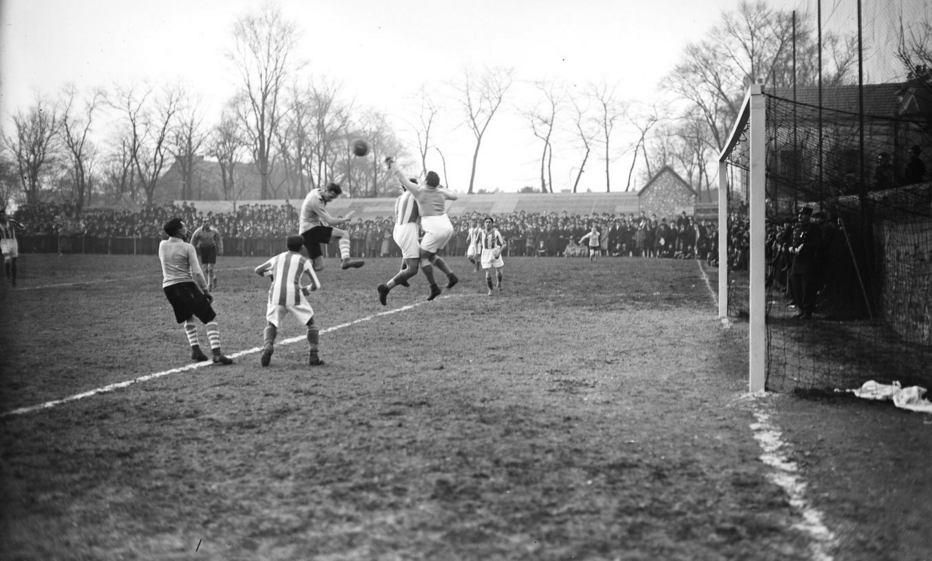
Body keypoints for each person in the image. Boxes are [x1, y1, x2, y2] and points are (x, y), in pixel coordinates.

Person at [158, 217, 233, 364]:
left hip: (168, 288)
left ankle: (196, 351)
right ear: (179, 230)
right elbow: (197, 272)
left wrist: (182, 238)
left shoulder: (162, 245)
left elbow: (172, 245)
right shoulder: (188, 248)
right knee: (209, 317)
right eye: (184, 227)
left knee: (189, 316)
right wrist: (206, 291)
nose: (187, 229)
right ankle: (216, 353)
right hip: (184, 285)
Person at [384, 158, 459, 301]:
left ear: (425, 181)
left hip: (434, 228)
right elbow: (455, 195)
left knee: (422, 257)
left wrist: (392, 164)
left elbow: (401, 177)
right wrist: (441, 187)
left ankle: (434, 288)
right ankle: (451, 276)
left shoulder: (418, 192)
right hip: (447, 227)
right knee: (430, 255)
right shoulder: (441, 192)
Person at [254, 235, 324, 366]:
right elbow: (316, 285)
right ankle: (313, 355)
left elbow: (258, 270)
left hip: (276, 294)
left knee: (271, 324)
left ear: (286, 246)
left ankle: (268, 345)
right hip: (294, 294)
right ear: (302, 247)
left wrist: (270, 274)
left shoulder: (278, 257)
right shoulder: (304, 260)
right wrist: (305, 290)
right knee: (311, 323)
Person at [376, 177, 425, 306]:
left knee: (410, 254)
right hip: (407, 230)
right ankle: (385, 287)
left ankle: (402, 274)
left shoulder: (399, 199)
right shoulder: (416, 197)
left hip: (398, 230)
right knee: (413, 269)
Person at [299, 182, 364, 272]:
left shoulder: (317, 193)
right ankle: (346, 260)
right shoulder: (315, 201)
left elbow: (315, 216)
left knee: (318, 266)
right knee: (343, 234)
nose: (331, 200)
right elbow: (331, 221)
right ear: (326, 190)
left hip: (305, 233)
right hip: (311, 231)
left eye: (333, 198)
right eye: (331, 196)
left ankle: (296, 269)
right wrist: (345, 219)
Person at [788, 206, 822, 320]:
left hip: (808, 262)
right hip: (797, 262)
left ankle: (808, 312)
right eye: (799, 214)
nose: (800, 216)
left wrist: (804, 246)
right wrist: (791, 249)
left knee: (807, 288)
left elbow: (818, 244)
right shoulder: (797, 228)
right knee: (796, 286)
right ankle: (801, 309)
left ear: (808, 215)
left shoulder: (813, 228)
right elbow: (792, 243)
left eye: (803, 214)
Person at [189, 218, 223, 290]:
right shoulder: (198, 231)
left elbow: (219, 239)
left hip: (211, 249)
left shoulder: (214, 231)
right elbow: (193, 241)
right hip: (203, 249)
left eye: (208, 222)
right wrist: (191, 250)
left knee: (210, 268)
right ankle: (214, 277)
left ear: (209, 223)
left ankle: (209, 285)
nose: (206, 223)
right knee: (205, 269)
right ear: (202, 223)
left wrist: (221, 248)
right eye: (205, 222)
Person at [476, 216, 506, 296]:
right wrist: (477, 252)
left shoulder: (496, 232)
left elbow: (504, 244)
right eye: (486, 222)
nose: (488, 224)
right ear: (484, 224)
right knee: (487, 272)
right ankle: (490, 290)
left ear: (492, 224)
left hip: (495, 251)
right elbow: (476, 242)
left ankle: (499, 283)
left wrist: (499, 253)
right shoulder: (480, 232)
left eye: (489, 222)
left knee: (498, 270)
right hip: (485, 252)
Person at [0, 208, 21, 287]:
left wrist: (17, 223)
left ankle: (13, 281)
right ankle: (8, 274)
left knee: (13, 263)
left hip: (13, 241)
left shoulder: (11, 221)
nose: (2, 217)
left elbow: (22, 226)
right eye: (0, 215)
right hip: (4, 242)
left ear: (5, 215)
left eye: (3, 215)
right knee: (7, 259)